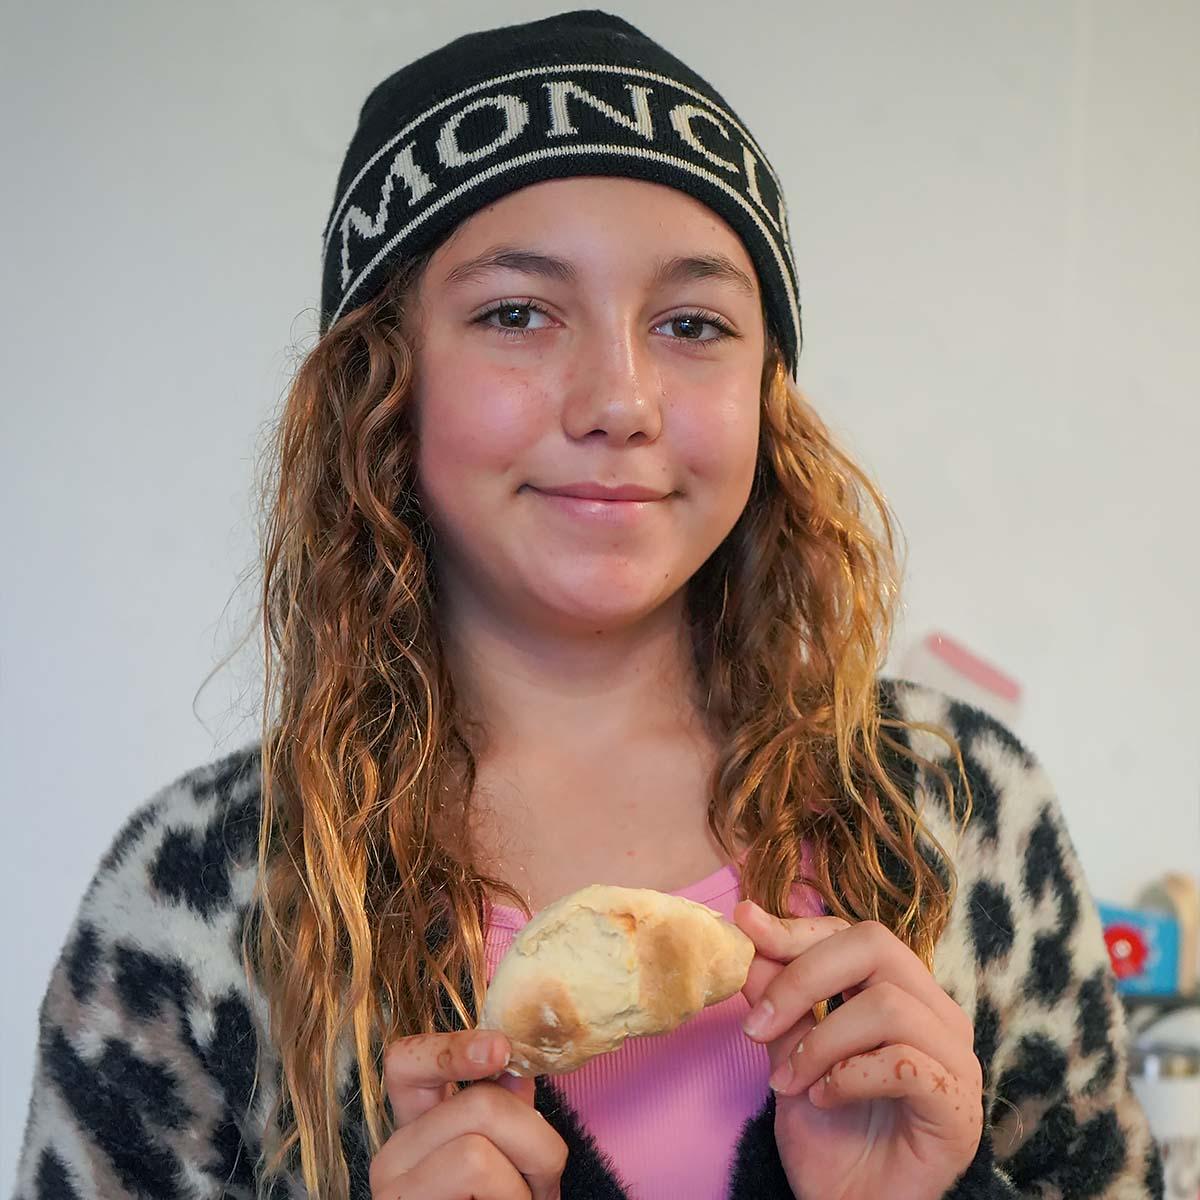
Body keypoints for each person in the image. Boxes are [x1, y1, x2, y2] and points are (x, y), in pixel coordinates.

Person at [12, 10, 1163, 1200]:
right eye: (517, 312)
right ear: (380, 384)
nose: (619, 398)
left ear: (767, 395)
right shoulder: (202, 897)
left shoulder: (956, 810)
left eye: (692, 324)